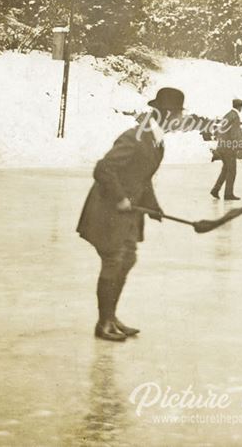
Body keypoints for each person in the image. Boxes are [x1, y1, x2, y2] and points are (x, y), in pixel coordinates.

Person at [77, 87, 184, 341]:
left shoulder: (155, 140)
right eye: (179, 113)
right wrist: (121, 198)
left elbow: (142, 178)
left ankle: (111, 317)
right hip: (108, 211)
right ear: (168, 114)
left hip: (128, 214)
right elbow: (103, 169)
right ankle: (104, 323)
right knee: (114, 261)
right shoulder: (135, 137)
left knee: (127, 259)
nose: (181, 119)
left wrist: (154, 206)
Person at [211, 98, 242, 200]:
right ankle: (228, 194)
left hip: (222, 147)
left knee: (226, 169)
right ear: (240, 106)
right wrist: (239, 145)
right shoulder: (235, 116)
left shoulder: (227, 115)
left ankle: (215, 190)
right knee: (232, 171)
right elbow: (235, 133)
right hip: (229, 148)